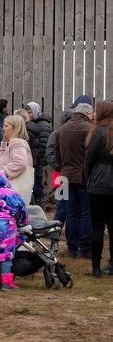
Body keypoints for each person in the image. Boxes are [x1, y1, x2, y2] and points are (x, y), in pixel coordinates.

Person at [54, 97, 95, 259]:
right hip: (84, 176)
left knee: (70, 212)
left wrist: (62, 168)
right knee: (85, 212)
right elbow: (91, 155)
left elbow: (56, 155)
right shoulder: (89, 129)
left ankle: (72, 247)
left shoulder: (62, 130)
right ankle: (85, 248)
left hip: (65, 175)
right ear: (87, 113)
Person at [83, 100, 113, 278]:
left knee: (97, 227)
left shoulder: (98, 132)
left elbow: (89, 160)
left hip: (99, 185)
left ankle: (96, 267)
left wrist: (89, 179)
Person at [0, 113, 34, 202]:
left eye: (6, 126)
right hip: (11, 188)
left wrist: (2, 172)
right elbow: (0, 159)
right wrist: (4, 143)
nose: (3, 128)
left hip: (13, 189)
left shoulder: (17, 142)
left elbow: (20, 162)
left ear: (15, 128)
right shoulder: (14, 142)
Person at [25, 102, 52, 205]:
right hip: (33, 160)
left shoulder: (43, 125)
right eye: (27, 112)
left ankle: (40, 206)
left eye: (30, 112)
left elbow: (44, 145)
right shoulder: (31, 124)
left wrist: (39, 159)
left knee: (37, 185)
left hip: (38, 161)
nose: (28, 114)